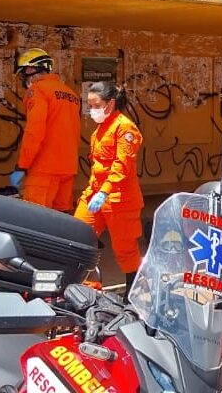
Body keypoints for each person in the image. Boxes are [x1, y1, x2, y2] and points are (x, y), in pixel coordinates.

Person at [74, 81, 144, 299]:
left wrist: (104, 191)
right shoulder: (100, 130)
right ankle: (83, 287)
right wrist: (95, 192)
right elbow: (98, 168)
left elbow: (122, 165)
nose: (92, 110)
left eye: (96, 105)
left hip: (119, 199)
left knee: (125, 249)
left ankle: (133, 294)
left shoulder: (125, 128)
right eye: (89, 106)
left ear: (110, 104)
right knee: (77, 236)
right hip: (96, 195)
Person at [10, 48, 81, 213]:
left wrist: (22, 166)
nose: (23, 78)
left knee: (35, 219)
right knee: (60, 218)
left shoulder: (38, 91)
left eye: (23, 73)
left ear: (31, 69)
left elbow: (34, 132)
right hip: (68, 167)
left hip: (44, 170)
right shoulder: (70, 93)